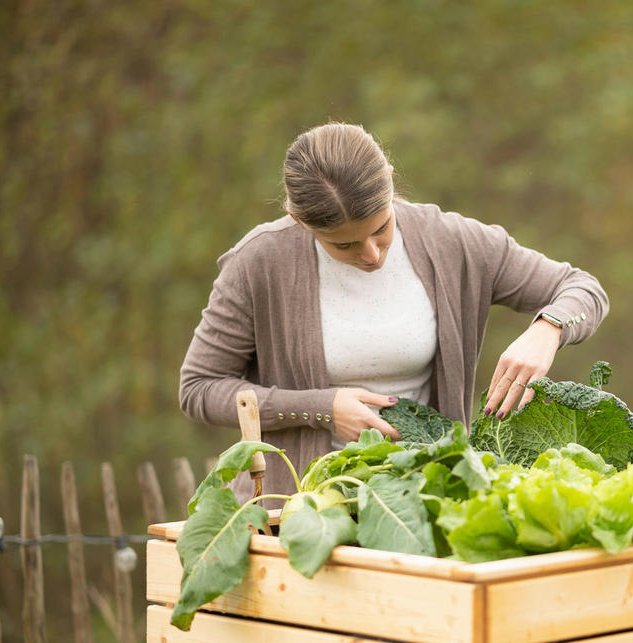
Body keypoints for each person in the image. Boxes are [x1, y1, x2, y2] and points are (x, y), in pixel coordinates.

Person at [179, 122, 609, 499]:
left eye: (380, 229)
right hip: (298, 510)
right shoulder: (259, 262)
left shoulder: (453, 242)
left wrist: (548, 327)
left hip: (427, 500)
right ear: (297, 219)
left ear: (389, 181)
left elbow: (582, 289)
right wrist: (320, 408)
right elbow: (199, 389)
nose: (371, 255)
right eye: (343, 245)